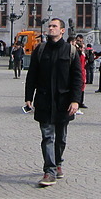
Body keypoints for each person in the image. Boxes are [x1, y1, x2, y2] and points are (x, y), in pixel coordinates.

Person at [25, 18, 83, 187]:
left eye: (54, 26)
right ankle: (49, 170)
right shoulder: (40, 50)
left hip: (63, 101)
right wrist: (28, 96)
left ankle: (58, 162)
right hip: (44, 99)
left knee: (61, 138)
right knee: (47, 136)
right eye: (49, 26)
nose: (50, 28)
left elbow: (77, 78)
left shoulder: (71, 51)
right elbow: (32, 75)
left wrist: (75, 100)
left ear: (62, 30)